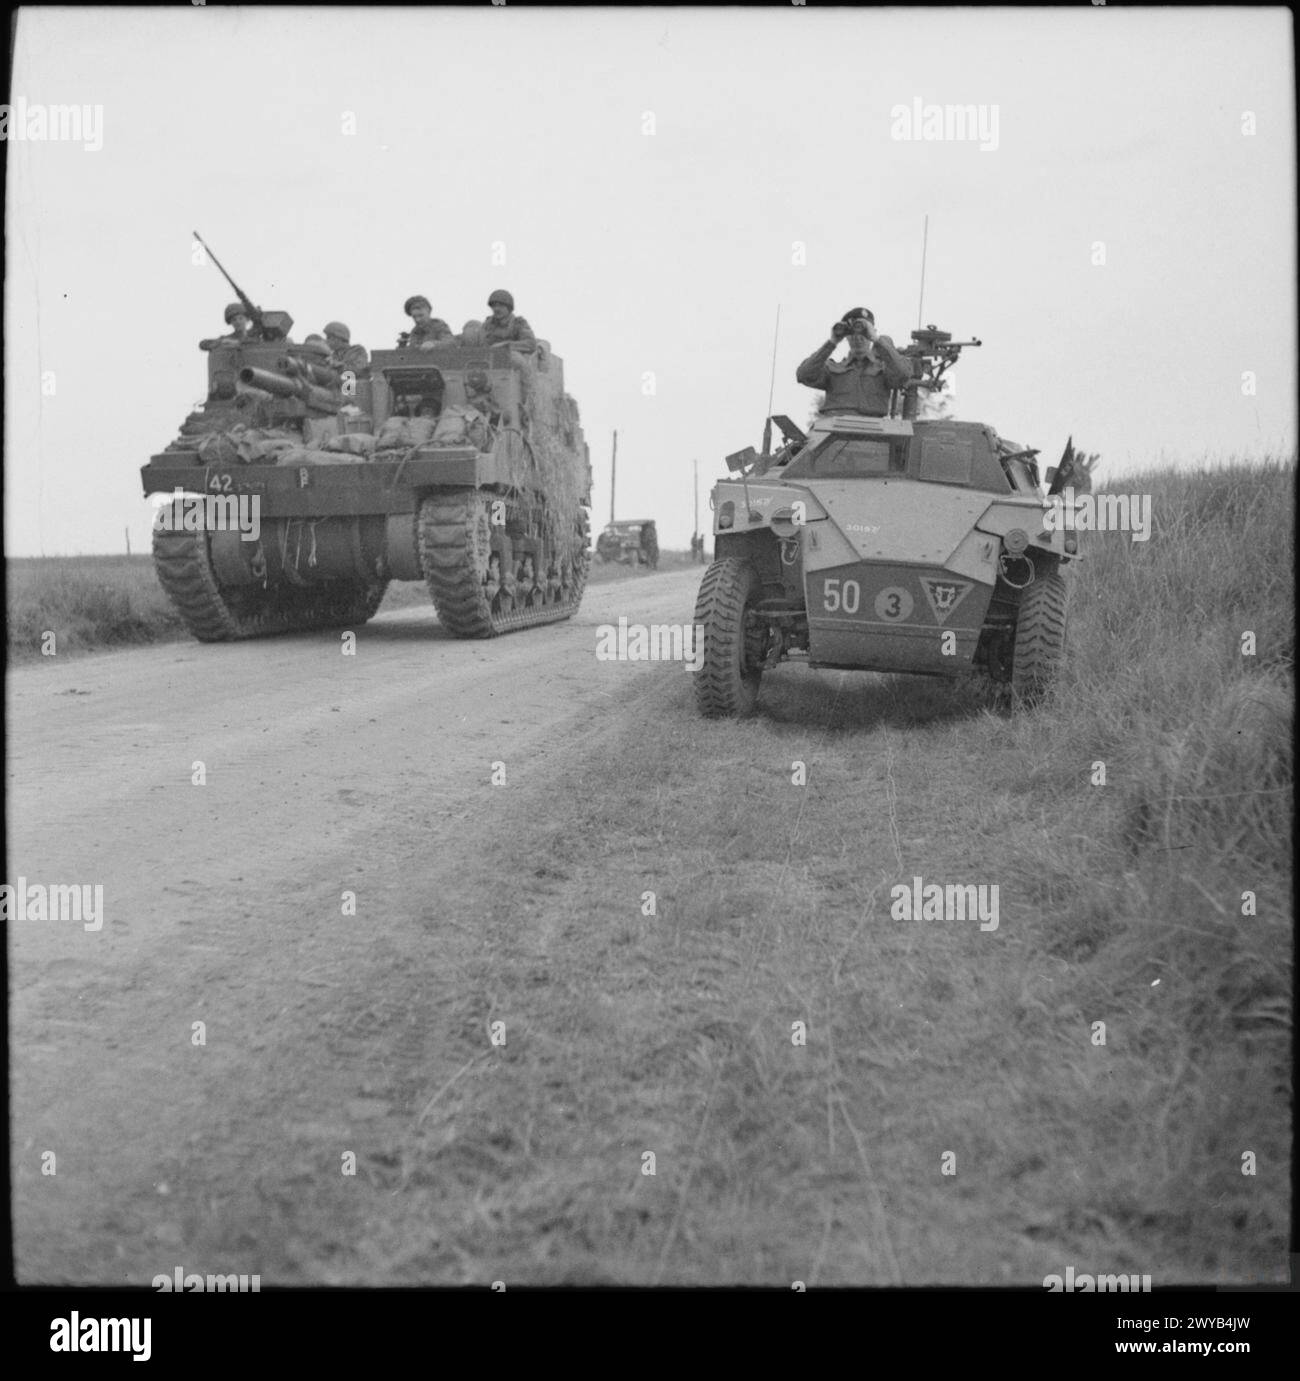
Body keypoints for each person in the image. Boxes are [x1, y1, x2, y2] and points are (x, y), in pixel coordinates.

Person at [795, 307, 912, 417]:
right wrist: (832, 342)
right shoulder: (832, 368)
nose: (858, 338)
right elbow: (804, 375)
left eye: (863, 333)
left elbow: (903, 374)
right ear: (846, 337)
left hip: (873, 431)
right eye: (852, 334)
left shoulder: (883, 369)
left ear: (872, 332)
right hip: (834, 431)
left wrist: (877, 340)